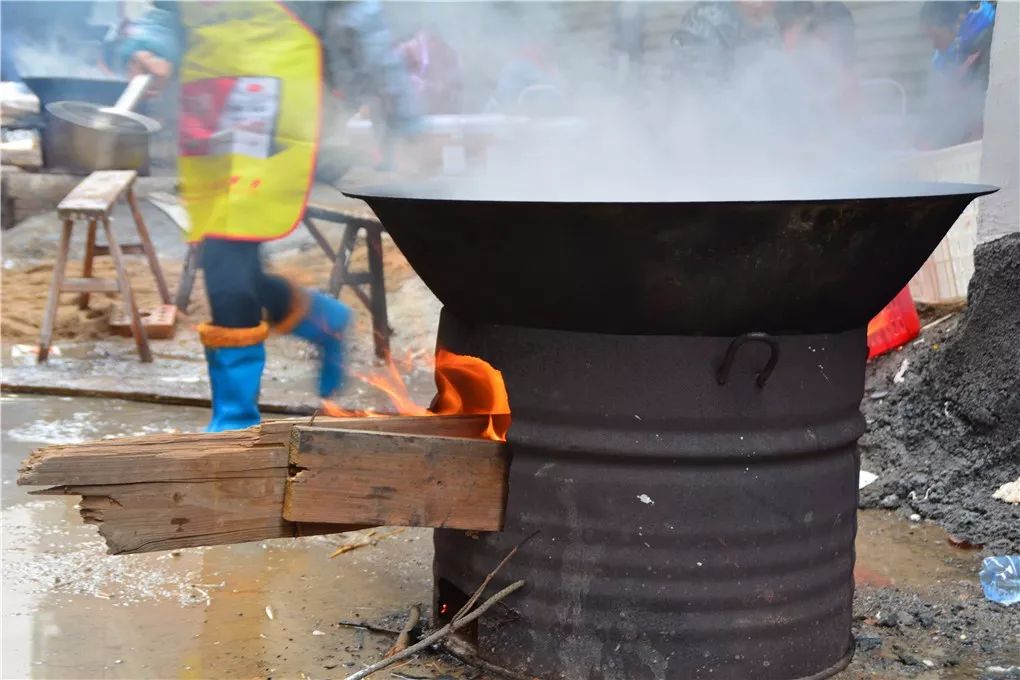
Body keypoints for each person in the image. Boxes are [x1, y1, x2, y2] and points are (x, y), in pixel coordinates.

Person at [106, 1, 421, 431]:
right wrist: (149, 48)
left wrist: (404, 121)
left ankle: (234, 419)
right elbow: (165, 14)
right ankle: (321, 321)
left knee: (224, 261)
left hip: (277, 124)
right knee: (237, 263)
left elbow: (362, 28)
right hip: (209, 122)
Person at [918, 1, 996, 147]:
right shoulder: (950, 53)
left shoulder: (991, 39)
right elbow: (939, 109)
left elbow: (982, 111)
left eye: (936, 36)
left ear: (959, 22)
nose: (934, 45)